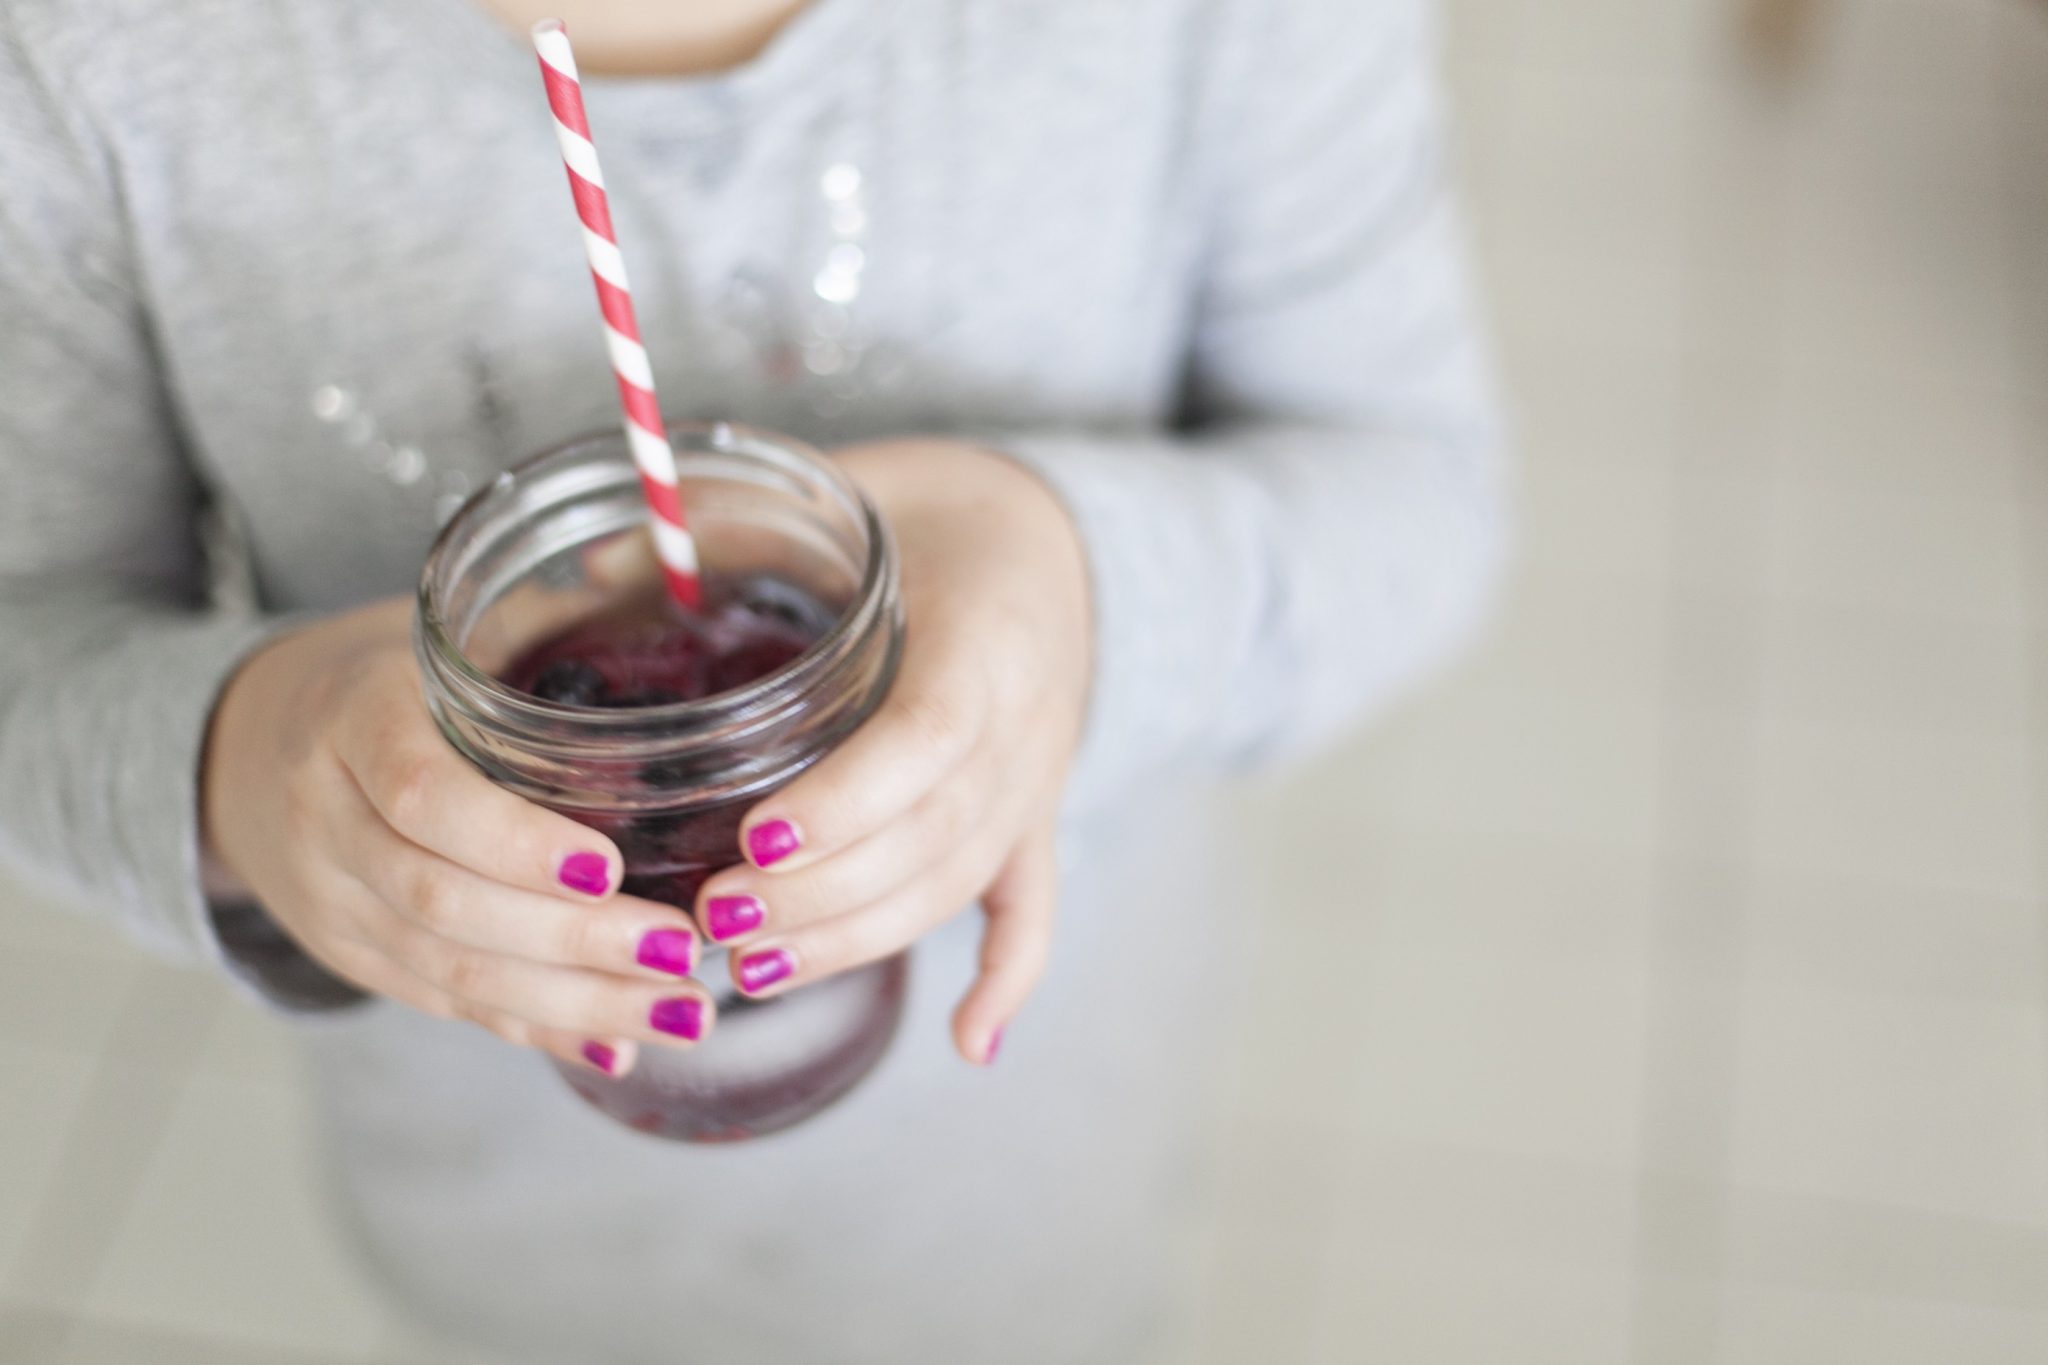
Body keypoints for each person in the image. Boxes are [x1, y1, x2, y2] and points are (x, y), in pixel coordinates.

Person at [0, 0, 1506, 1360]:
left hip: (1028, 1181)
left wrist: (1082, 584)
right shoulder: (82, 54)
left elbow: (1416, 496)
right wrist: (250, 760)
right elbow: (31, 634)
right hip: (505, 1226)